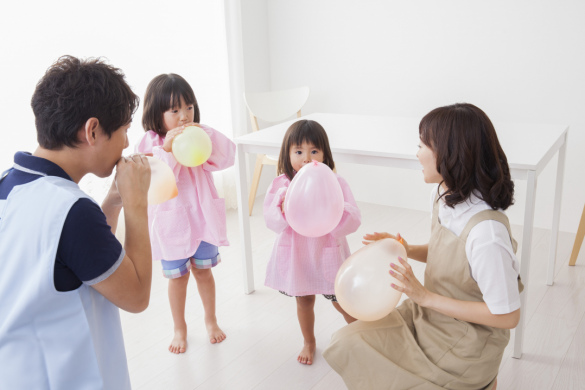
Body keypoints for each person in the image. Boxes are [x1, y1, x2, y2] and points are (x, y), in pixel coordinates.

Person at [323, 103, 523, 390]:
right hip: (428, 317)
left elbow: (507, 316)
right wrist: (404, 247)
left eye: (422, 145)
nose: (416, 153)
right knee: (345, 341)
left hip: (466, 342)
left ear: (451, 154)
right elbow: (448, 254)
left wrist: (425, 296)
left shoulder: (487, 235)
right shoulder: (444, 194)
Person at [0, 56, 152, 389]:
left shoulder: (8, 184)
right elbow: (137, 296)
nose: (127, 143)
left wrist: (113, 201)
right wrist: (137, 204)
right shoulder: (72, 211)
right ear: (93, 130)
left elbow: (83, 261)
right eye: (125, 130)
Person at [136, 73, 235, 354]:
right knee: (178, 279)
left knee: (204, 274)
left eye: (189, 107)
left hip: (201, 222)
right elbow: (152, 177)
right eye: (175, 110)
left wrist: (205, 133)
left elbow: (226, 156)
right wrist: (167, 149)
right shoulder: (149, 144)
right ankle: (180, 328)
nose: (184, 116)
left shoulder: (198, 135)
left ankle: (211, 320)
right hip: (172, 225)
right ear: (157, 114)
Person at [264, 119, 361, 365]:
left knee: (342, 300)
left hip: (327, 252)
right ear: (287, 154)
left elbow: (353, 220)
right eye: (298, 152)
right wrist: (283, 207)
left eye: (314, 151)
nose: (306, 158)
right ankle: (309, 341)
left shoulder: (335, 183)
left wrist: (338, 209)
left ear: (325, 154)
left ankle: (364, 338)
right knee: (304, 300)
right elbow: (272, 222)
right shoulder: (281, 185)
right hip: (298, 254)